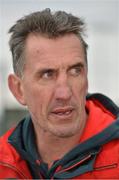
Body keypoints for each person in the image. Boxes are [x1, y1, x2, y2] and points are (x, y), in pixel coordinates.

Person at [0, 8, 119, 179]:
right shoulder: (3, 162)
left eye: (74, 71)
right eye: (48, 74)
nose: (64, 93)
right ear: (18, 89)